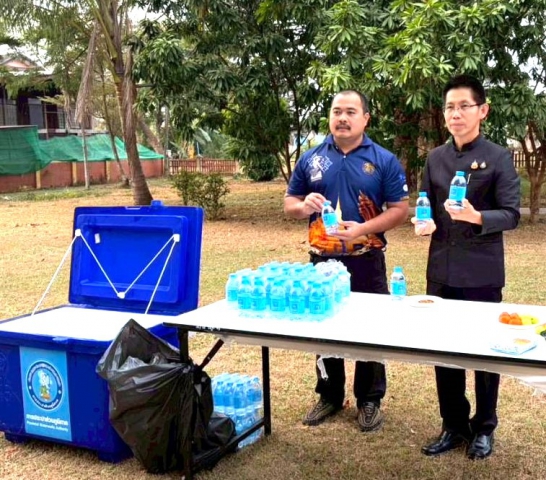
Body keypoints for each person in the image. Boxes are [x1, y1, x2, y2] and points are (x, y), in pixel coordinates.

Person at [284, 90, 409, 432]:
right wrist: (303, 206)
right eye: (336, 111)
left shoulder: (383, 159)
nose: (342, 118)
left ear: (365, 118)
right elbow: (290, 204)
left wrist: (363, 229)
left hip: (366, 260)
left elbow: (400, 210)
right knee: (324, 329)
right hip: (322, 263)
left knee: (371, 329)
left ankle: (369, 398)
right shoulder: (311, 158)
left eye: (350, 111)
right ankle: (329, 394)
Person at [414, 75, 520, 459]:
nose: (455, 114)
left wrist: (477, 217)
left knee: (484, 350)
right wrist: (424, 221)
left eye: (463, 106)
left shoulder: (498, 157)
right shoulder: (435, 158)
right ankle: (454, 424)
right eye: (449, 107)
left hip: (481, 273)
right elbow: (425, 202)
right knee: (444, 350)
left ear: (482, 110)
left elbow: (511, 214)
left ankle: (484, 427)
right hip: (441, 270)